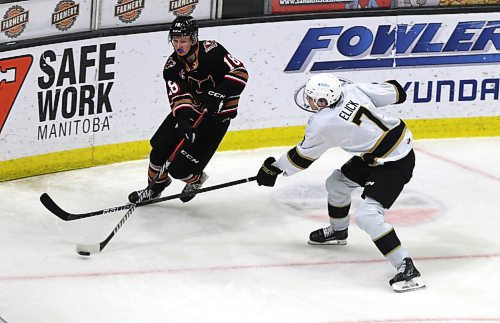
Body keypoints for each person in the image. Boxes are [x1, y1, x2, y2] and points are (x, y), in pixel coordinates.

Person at [256, 73, 425, 293]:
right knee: (337, 183)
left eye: (311, 98)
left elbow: (301, 158)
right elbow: (397, 92)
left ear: (323, 100)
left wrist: (274, 168)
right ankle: (339, 231)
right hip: (379, 153)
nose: (308, 101)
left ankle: (406, 267)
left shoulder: (322, 123)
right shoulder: (352, 90)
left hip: (395, 162)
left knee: (368, 215)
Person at [129, 16, 248, 204]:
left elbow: (240, 73)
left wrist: (218, 94)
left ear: (193, 39)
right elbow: (178, 97)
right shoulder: (172, 66)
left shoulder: (212, 50)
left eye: (183, 41)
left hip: (216, 119)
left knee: (179, 169)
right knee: (159, 151)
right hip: (191, 113)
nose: (178, 46)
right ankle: (155, 188)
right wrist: (184, 122)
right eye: (175, 41)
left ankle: (197, 179)